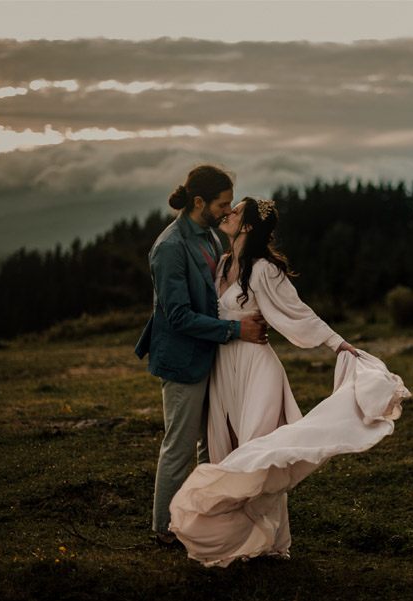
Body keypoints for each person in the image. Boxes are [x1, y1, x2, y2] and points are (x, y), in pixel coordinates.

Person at [168, 197, 408, 566]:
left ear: (247, 226)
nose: (227, 213)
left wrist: (337, 344)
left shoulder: (264, 269)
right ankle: (238, 541)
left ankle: (271, 541)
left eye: (236, 211)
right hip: (223, 370)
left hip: (256, 370)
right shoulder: (225, 263)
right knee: (225, 449)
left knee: (260, 453)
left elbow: (299, 315)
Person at [135, 166, 268, 546]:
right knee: (178, 448)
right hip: (182, 360)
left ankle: (202, 514)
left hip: (212, 356)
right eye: (223, 204)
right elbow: (177, 316)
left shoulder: (210, 237)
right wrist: (235, 330)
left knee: (211, 443)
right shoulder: (170, 247)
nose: (228, 212)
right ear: (199, 202)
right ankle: (165, 529)